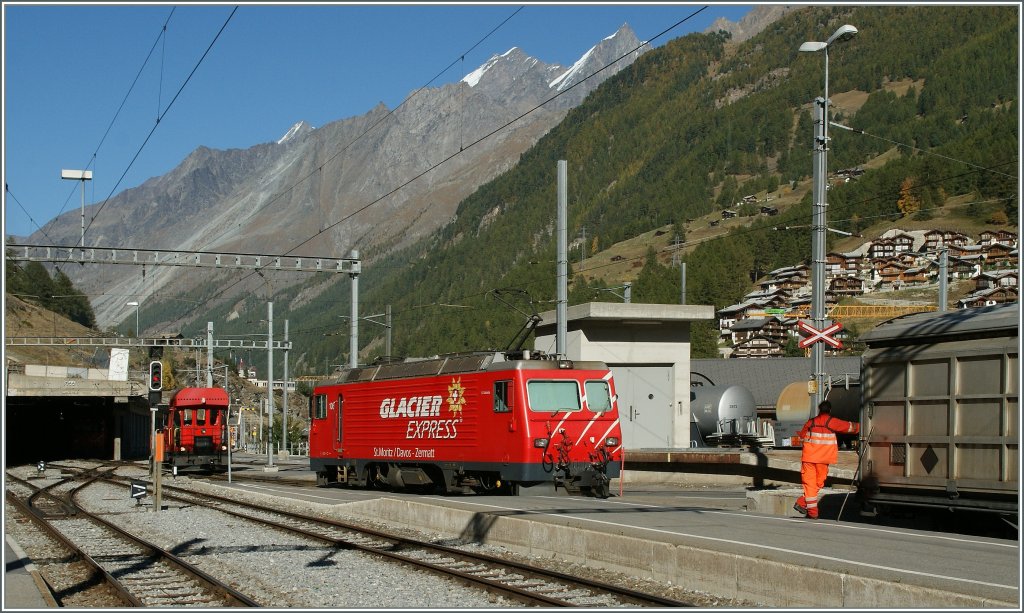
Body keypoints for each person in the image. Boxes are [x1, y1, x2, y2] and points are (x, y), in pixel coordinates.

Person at [794, 400, 859, 519]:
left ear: (819, 410)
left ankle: (802, 503)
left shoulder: (810, 422)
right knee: (817, 483)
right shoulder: (832, 422)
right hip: (822, 459)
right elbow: (850, 427)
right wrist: (865, 425)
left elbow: (801, 436)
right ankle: (812, 512)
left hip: (808, 458)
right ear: (830, 410)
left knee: (810, 485)